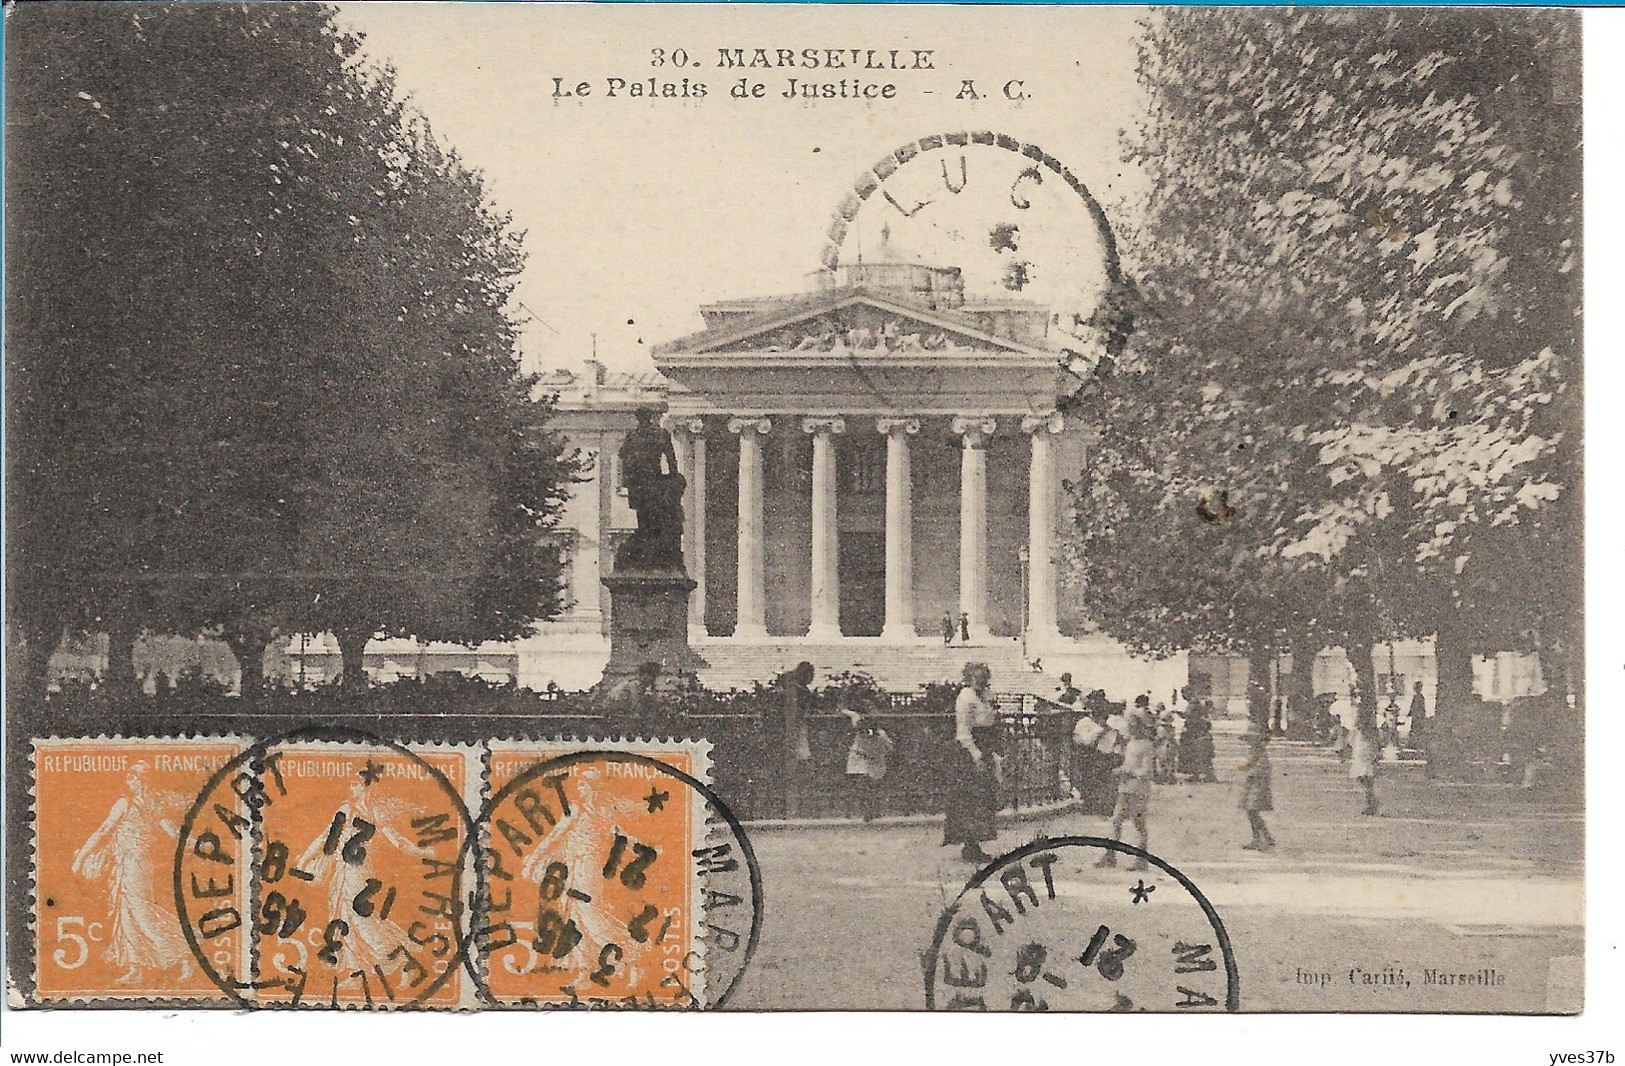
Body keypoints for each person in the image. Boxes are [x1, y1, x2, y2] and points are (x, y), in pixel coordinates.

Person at [71, 763, 194, 985]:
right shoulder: (150, 805)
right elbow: (173, 832)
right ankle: (135, 968)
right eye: (130, 775)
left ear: (141, 780)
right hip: (130, 864)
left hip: (133, 863)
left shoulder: (127, 804)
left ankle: (185, 951)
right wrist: (194, 842)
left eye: (134, 776)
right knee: (127, 913)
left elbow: (103, 831)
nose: (130, 779)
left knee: (141, 912)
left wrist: (80, 858)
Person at [944, 662, 1001, 863]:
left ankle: (976, 843)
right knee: (969, 799)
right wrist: (975, 754)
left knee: (983, 798)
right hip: (969, 750)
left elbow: (993, 722)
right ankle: (969, 845)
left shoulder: (988, 696)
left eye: (984, 677)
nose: (981, 681)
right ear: (969, 678)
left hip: (985, 746)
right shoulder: (965, 697)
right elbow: (963, 729)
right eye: (977, 678)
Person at [1096, 713, 1153, 870]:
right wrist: (1119, 771)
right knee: (1116, 821)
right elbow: (1129, 765)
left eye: (1131, 726)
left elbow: (1146, 771)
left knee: (1138, 824)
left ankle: (1141, 859)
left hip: (1138, 790)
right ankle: (1110, 855)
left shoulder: (1146, 746)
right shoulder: (1130, 744)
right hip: (1125, 789)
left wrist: (1128, 772)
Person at [773, 661, 816, 817]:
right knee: (799, 757)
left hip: (797, 727)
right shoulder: (797, 690)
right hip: (795, 728)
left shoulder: (796, 688)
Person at [844, 709, 895, 822]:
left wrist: (880, 754)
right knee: (862, 786)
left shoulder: (881, 736)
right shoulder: (858, 734)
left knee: (873, 788)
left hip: (875, 761)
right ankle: (864, 812)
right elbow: (853, 715)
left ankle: (874, 811)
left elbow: (889, 748)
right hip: (860, 760)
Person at [1239, 727, 1276, 851]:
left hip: (1258, 788)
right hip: (1253, 787)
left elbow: (1262, 769)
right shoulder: (1255, 752)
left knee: (1252, 812)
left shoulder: (1260, 753)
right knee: (1252, 813)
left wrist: (1250, 772)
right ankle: (1265, 837)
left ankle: (1259, 838)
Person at [1177, 697, 1217, 783]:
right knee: (1196, 757)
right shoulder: (1199, 717)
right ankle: (1198, 774)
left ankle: (1205, 775)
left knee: (1200, 756)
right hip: (1195, 738)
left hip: (1197, 739)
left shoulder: (1199, 719)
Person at [1351, 722, 1380, 815]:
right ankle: (1371, 803)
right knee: (1364, 781)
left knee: (1368, 783)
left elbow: (1374, 750)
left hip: (1367, 762)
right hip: (1361, 761)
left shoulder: (1370, 739)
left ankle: (1372, 805)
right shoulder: (1359, 736)